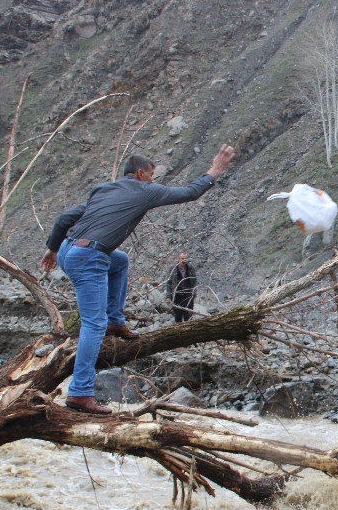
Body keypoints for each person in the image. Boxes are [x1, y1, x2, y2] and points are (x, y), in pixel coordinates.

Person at [39, 145, 236, 414]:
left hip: (67, 250)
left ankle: (116, 320)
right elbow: (190, 192)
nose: (155, 180)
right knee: (92, 325)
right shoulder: (145, 190)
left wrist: (51, 250)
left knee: (120, 260)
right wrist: (216, 169)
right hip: (88, 257)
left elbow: (64, 219)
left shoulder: (103, 189)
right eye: (152, 175)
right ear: (141, 174)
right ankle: (80, 393)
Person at [166, 252, 198, 323]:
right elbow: (168, 283)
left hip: (188, 296)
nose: (184, 260)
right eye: (182, 258)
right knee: (178, 317)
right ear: (178, 259)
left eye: (185, 258)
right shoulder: (173, 269)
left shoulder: (191, 269)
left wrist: (194, 292)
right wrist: (168, 296)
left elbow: (195, 281)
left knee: (189, 317)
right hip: (177, 296)